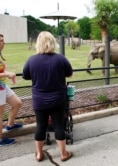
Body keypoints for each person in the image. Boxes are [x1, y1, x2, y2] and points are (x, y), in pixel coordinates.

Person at [22, 31, 73, 162]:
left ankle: (39, 154)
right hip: (58, 99)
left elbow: (26, 76)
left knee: (40, 126)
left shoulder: (31, 60)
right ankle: (63, 153)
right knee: (58, 126)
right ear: (52, 42)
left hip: (39, 100)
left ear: (38, 43)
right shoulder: (60, 58)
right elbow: (69, 74)